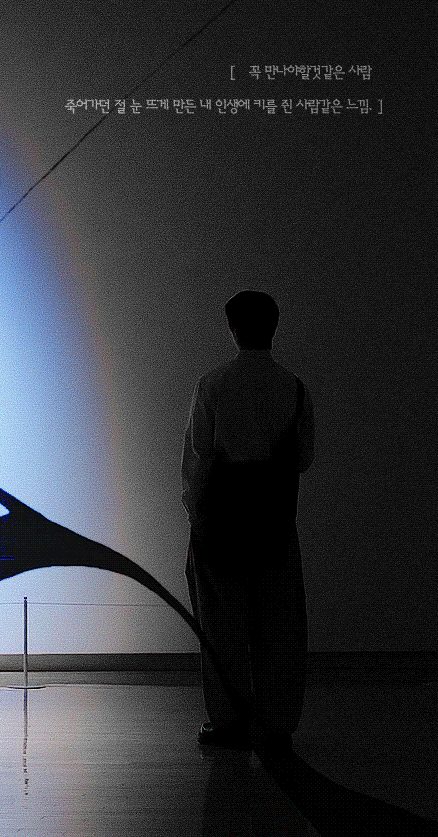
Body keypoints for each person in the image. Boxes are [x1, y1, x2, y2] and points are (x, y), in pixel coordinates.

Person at [182, 290, 314, 750]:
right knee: (279, 624)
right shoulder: (294, 387)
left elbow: (199, 457)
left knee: (221, 625)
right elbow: (303, 459)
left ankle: (228, 720)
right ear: (274, 328)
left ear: (233, 329)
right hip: (274, 519)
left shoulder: (213, 385)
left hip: (221, 519)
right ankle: (277, 723)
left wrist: (197, 515)